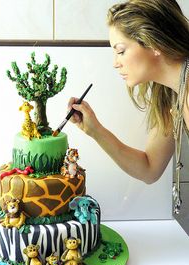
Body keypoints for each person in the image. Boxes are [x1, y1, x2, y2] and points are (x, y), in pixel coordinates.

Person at [68, 0, 189, 214]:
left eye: (121, 51)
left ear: (154, 43)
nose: (115, 62)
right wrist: (95, 130)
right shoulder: (173, 94)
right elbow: (150, 168)